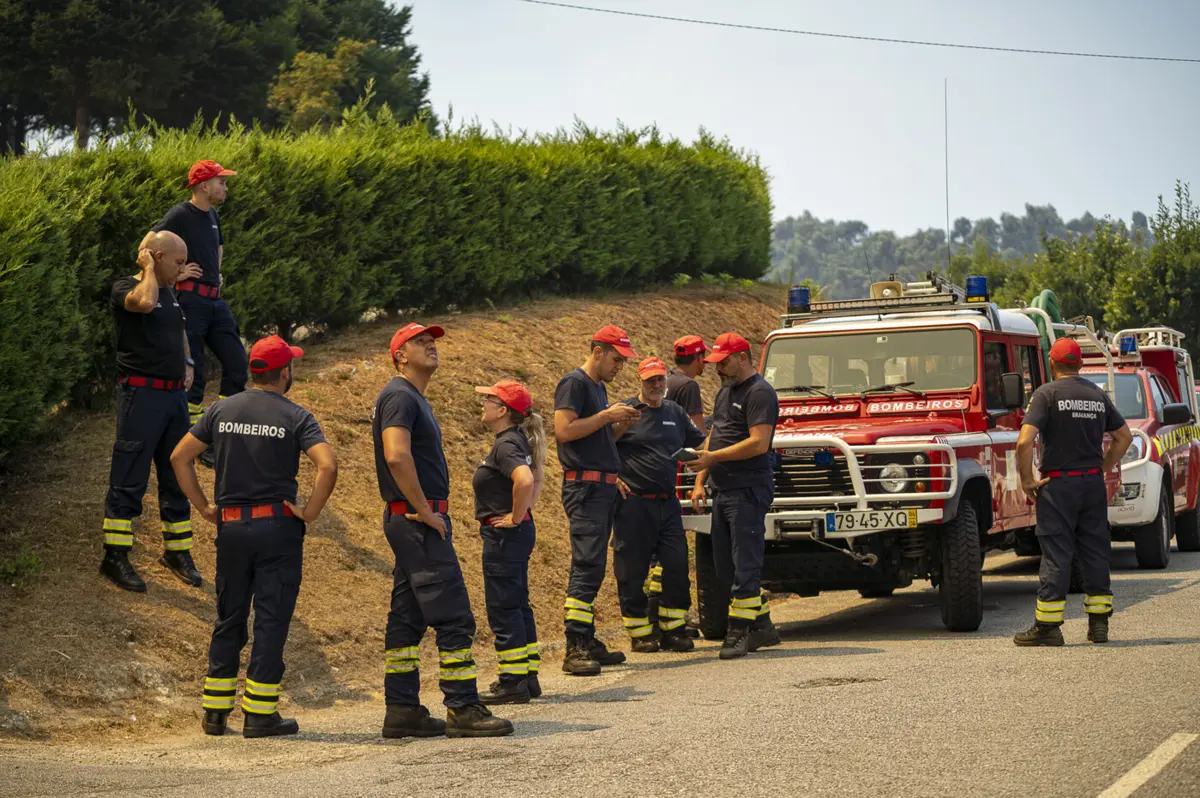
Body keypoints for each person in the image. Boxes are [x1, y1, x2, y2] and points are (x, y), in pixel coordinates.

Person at [170, 336, 338, 738]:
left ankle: (215, 714)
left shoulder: (221, 409)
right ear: (284, 373)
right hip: (276, 528)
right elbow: (327, 466)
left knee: (229, 617)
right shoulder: (296, 416)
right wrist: (310, 512)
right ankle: (260, 715)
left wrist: (204, 506)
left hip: (231, 529)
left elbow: (179, 457)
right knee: (271, 619)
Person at [373, 322, 513, 738]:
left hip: (412, 518)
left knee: (406, 617)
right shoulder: (399, 394)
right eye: (420, 341)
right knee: (454, 616)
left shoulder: (410, 397)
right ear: (400, 355)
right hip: (418, 519)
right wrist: (425, 512)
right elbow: (397, 456)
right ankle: (463, 708)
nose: (430, 345)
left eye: (431, 340)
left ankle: (401, 711)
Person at [99, 231, 201, 593]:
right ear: (155, 256)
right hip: (141, 397)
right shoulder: (128, 286)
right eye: (176, 261)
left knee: (177, 475)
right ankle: (115, 556)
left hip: (174, 400)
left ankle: (177, 552)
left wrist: (187, 361)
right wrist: (146, 269)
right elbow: (142, 304)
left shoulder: (171, 292)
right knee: (130, 477)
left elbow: (180, 329)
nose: (182, 268)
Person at [1014, 337, 1132, 646]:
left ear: (1052, 364)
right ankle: (1099, 624)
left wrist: (1027, 481)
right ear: (1079, 364)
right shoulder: (1096, 394)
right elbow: (1124, 437)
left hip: (1058, 486)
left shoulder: (1046, 394)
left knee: (1057, 553)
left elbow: (1025, 442)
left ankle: (1048, 628)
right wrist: (1103, 468)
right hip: (1091, 484)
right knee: (1095, 550)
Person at [687, 332, 782, 660]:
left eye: (723, 362)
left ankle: (739, 633)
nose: (717, 368)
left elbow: (758, 443)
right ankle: (764, 626)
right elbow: (715, 435)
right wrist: (701, 478)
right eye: (715, 362)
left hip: (748, 490)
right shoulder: (725, 392)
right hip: (722, 490)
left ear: (743, 357)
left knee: (745, 566)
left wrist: (713, 460)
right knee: (725, 567)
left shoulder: (760, 393)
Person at [554, 325, 642, 675]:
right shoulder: (574, 383)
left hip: (601, 486)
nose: (620, 366)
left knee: (593, 565)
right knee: (587, 564)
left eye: (623, 361)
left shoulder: (598, 388)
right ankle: (575, 645)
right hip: (585, 489)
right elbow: (564, 430)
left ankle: (586, 637)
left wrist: (619, 424)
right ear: (598, 350)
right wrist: (607, 415)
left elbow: (596, 439)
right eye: (617, 359)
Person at [153, 160, 249, 467]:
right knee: (194, 379)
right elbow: (147, 246)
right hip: (191, 303)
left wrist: (216, 271)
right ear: (204, 186)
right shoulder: (180, 214)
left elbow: (218, 247)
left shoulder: (213, 214)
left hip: (215, 302)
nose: (226, 187)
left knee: (237, 365)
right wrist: (177, 275)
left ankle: (217, 434)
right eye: (222, 182)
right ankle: (192, 444)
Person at [612, 357, 706, 653]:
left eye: (660, 379)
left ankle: (673, 630)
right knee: (632, 570)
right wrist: (613, 478)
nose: (656, 385)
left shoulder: (675, 412)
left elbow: (700, 445)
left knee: (676, 566)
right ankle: (640, 632)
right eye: (650, 380)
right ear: (640, 381)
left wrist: (701, 474)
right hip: (634, 505)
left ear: (666, 380)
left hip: (668, 504)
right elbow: (601, 447)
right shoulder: (626, 411)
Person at [471, 380, 547, 705]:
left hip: (505, 534)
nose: (483, 403)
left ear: (503, 411)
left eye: (489, 399)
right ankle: (527, 678)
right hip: (516, 533)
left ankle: (513, 682)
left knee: (504, 607)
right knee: (518, 604)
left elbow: (526, 480)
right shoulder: (518, 440)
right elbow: (536, 477)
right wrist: (524, 514)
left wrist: (516, 516)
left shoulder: (505, 444)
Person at [666, 335, 709, 434]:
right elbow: (699, 432)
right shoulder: (689, 385)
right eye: (704, 356)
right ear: (700, 358)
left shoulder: (667, 379)